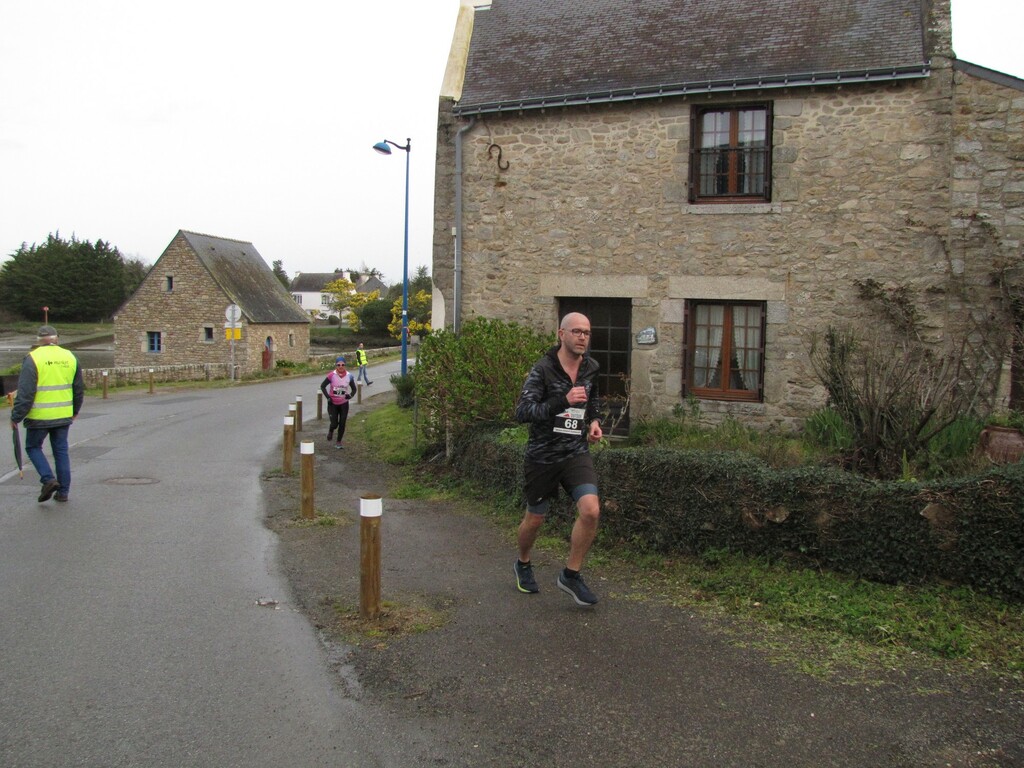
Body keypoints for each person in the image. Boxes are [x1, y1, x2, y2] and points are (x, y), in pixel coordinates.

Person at [513, 312, 603, 606]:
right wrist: (562, 401)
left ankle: (571, 575)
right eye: (576, 331)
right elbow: (523, 412)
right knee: (535, 519)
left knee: (591, 510)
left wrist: (594, 421)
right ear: (561, 334)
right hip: (543, 456)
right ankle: (523, 562)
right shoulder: (543, 370)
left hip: (575, 452)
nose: (582, 337)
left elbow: (593, 398)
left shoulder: (591, 367)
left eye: (586, 332)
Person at [9, 325, 85, 503]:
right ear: (56, 339)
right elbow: (78, 389)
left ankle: (48, 479)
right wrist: (75, 411)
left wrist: (16, 416)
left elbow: (26, 392)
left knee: (33, 447)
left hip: (39, 416)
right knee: (61, 451)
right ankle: (63, 492)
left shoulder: (33, 358)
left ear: (38, 340)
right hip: (63, 414)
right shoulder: (70, 357)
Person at [320, 356, 356, 449]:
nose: (340, 366)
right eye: (338, 365)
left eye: (342, 365)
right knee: (334, 424)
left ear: (345, 365)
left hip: (344, 403)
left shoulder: (349, 376)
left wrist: (350, 395)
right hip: (333, 404)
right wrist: (328, 397)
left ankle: (339, 442)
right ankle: (331, 430)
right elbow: (322, 386)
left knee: (342, 423)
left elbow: (354, 389)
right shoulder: (331, 375)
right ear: (336, 365)